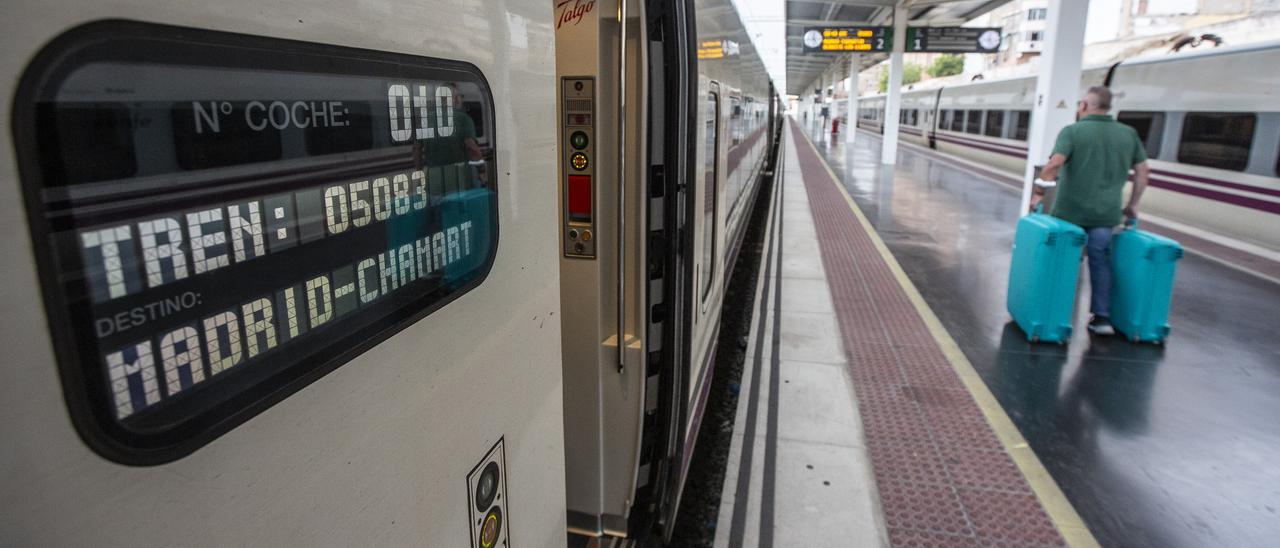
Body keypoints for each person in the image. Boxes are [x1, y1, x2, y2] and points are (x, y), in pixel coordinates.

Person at [1033, 86, 1150, 336]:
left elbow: (1054, 164)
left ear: (1085, 105)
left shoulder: (1073, 131)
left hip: (1069, 213)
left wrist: (1039, 192)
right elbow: (1142, 172)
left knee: (1064, 259)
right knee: (1100, 258)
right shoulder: (1128, 134)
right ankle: (1102, 318)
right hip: (1105, 214)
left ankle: (1053, 315)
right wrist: (1132, 205)